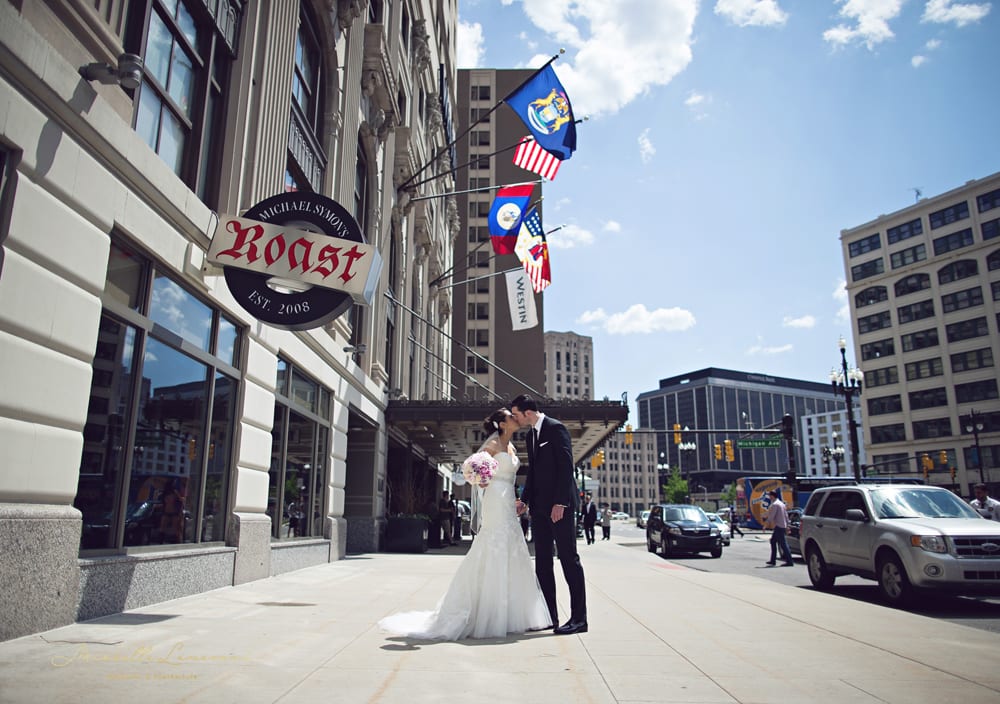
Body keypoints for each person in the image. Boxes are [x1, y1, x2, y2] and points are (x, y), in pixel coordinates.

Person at [378, 409, 551, 640]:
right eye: (511, 417)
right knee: (494, 543)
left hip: (509, 498)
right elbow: (471, 469)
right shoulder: (493, 443)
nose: (515, 419)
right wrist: (483, 480)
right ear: (501, 423)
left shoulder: (511, 446)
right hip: (494, 499)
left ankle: (512, 613)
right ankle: (486, 613)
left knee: (512, 546)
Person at [511, 393, 588, 636]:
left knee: (568, 559)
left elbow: (566, 466)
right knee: (542, 563)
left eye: (516, 415)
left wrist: (560, 503)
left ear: (528, 413)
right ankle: (549, 617)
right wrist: (525, 500)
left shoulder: (556, 429)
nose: (515, 419)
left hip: (559, 507)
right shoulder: (530, 435)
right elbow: (533, 471)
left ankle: (579, 619)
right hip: (540, 509)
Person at [764, 490, 794, 566]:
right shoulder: (781, 504)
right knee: (773, 541)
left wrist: (765, 525)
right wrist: (787, 525)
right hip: (782, 525)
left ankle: (789, 561)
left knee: (783, 543)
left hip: (779, 526)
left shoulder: (775, 505)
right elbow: (786, 515)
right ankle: (773, 560)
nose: (769, 497)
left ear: (772, 496)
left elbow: (771, 516)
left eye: (769, 495)